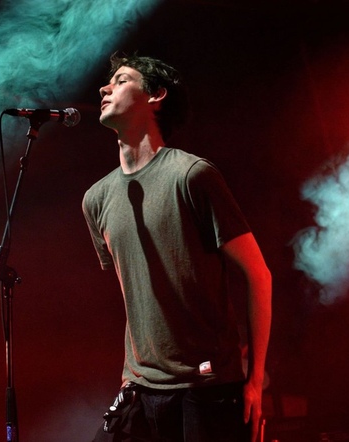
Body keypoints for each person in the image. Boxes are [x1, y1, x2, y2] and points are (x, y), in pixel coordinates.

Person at [82, 53, 272, 442]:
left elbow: (258, 275)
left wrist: (254, 381)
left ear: (156, 96)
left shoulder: (192, 175)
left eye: (121, 80)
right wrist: (129, 370)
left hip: (206, 385)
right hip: (140, 386)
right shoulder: (96, 199)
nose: (105, 88)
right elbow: (132, 293)